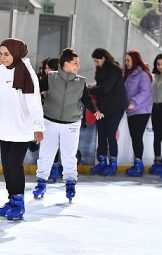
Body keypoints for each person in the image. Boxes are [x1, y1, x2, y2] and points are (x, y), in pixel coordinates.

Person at [0, 38, 44, 220]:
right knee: (6, 166)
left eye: (6, 54)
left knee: (14, 164)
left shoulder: (26, 72)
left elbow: (34, 102)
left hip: (23, 129)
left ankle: (19, 203)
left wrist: (38, 126)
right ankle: (11, 199)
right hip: (5, 128)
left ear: (16, 53)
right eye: (1, 54)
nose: (3, 57)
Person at [33, 48, 103, 202]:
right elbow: (35, 88)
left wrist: (95, 110)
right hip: (50, 121)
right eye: (75, 63)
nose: (78, 66)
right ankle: (41, 182)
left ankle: (70, 182)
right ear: (65, 64)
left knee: (69, 156)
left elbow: (86, 99)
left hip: (71, 123)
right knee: (46, 154)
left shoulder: (80, 82)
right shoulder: (51, 78)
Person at [88, 48, 127, 176]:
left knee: (110, 134)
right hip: (103, 106)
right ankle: (102, 162)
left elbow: (105, 89)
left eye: (97, 60)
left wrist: (90, 90)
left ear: (104, 58)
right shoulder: (101, 70)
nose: (96, 63)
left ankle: (113, 164)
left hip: (116, 107)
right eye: (94, 61)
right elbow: (101, 86)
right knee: (102, 134)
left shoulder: (114, 70)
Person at [123, 49, 153, 177]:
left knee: (137, 137)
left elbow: (145, 91)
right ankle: (137, 163)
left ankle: (139, 165)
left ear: (135, 60)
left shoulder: (143, 74)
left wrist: (133, 103)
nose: (127, 62)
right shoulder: (129, 74)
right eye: (126, 60)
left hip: (141, 110)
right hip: (131, 111)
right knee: (135, 138)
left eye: (129, 60)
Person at [149, 54, 162, 175]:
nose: (160, 66)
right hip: (155, 108)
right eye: (158, 64)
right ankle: (157, 160)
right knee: (156, 136)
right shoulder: (155, 76)